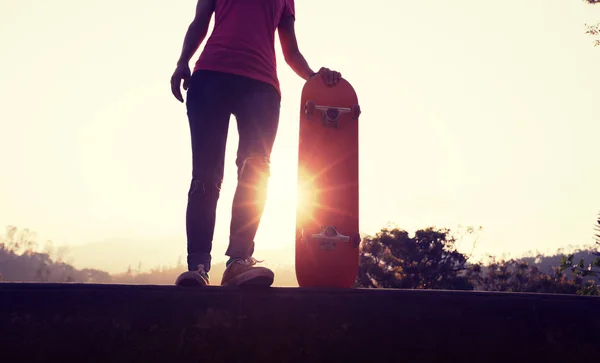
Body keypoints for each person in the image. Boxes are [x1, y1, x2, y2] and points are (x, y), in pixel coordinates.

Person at [170, 0, 341, 287]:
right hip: (211, 77)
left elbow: (291, 52)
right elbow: (200, 21)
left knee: (256, 171)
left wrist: (315, 77)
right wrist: (182, 62)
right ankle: (198, 267)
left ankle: (238, 261)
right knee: (206, 174)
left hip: (261, 87)